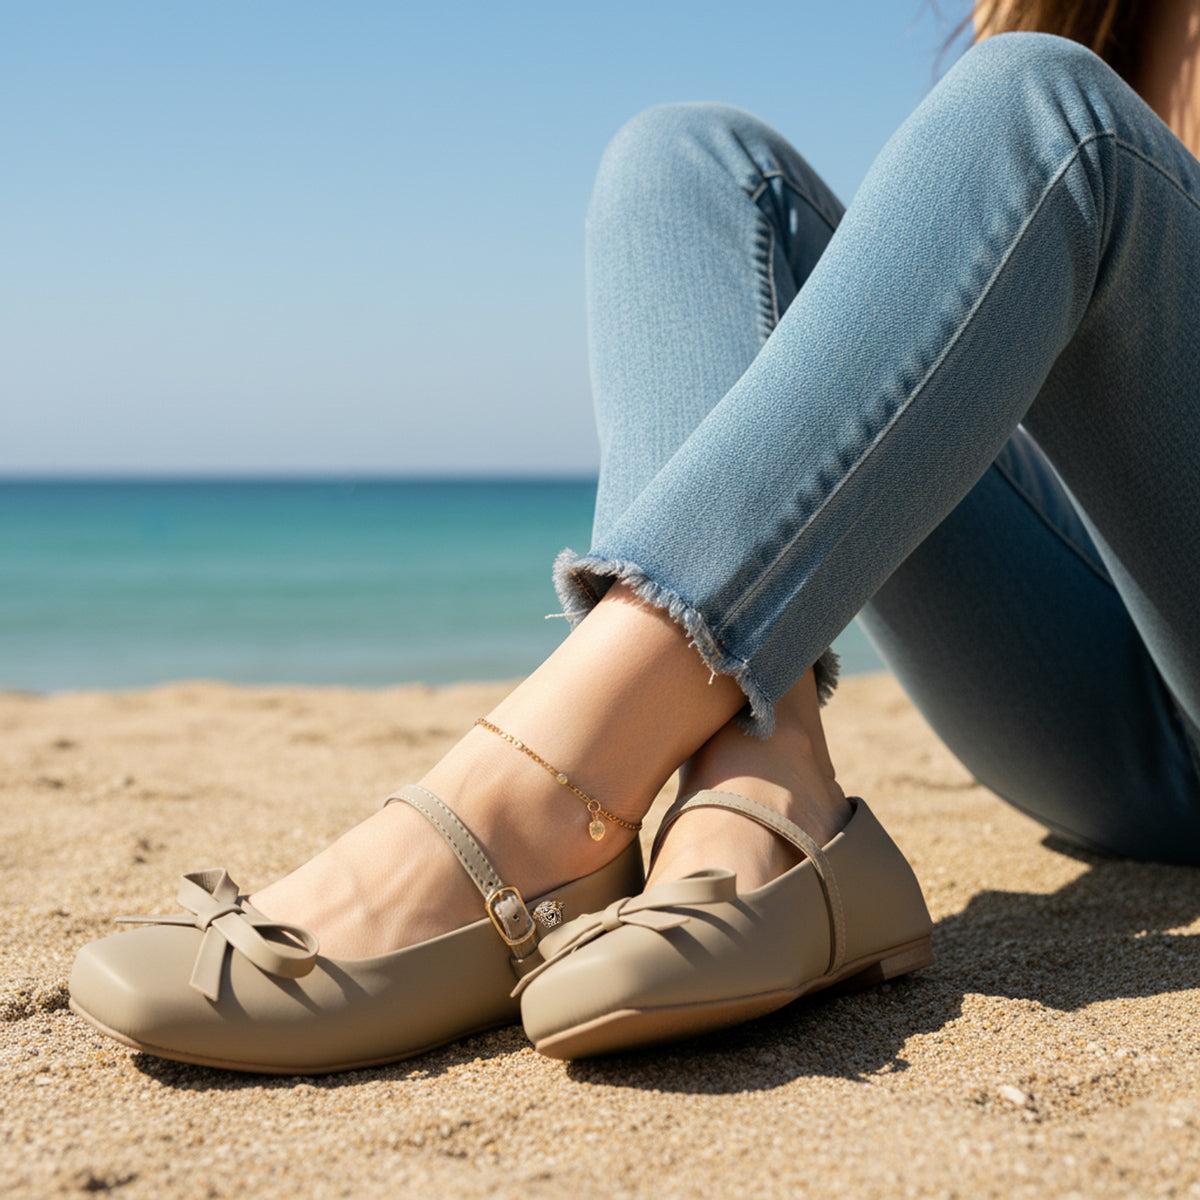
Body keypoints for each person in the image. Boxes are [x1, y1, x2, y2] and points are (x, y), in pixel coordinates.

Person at [69, 0, 1200, 1072]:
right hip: (1098, 706)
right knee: (690, 165)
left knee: (1053, 112)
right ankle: (767, 787)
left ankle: (534, 805)